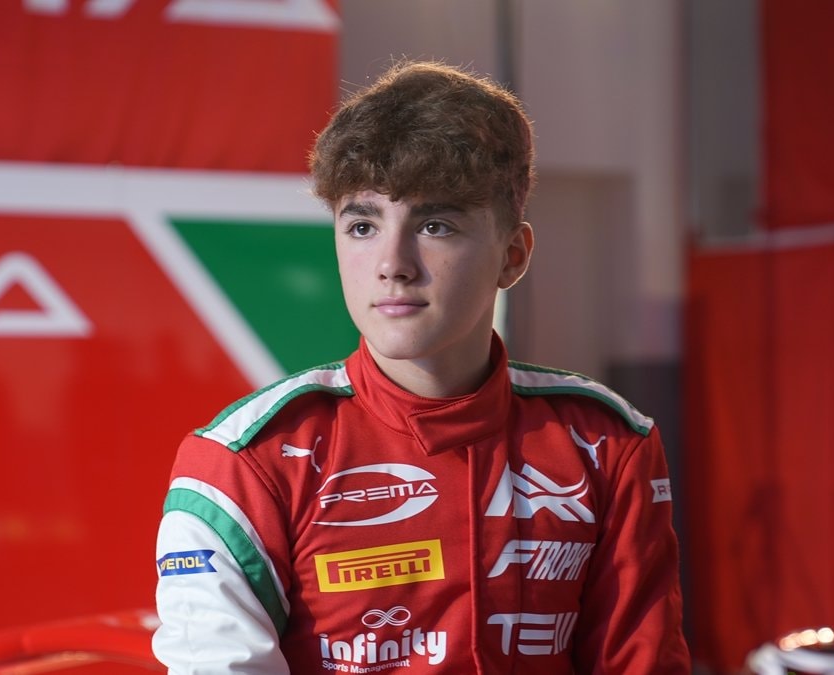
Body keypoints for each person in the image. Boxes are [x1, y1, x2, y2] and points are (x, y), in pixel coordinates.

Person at [152, 60, 690, 673]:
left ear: (512, 255)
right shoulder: (245, 463)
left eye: (435, 225)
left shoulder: (606, 442)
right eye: (363, 225)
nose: (393, 264)